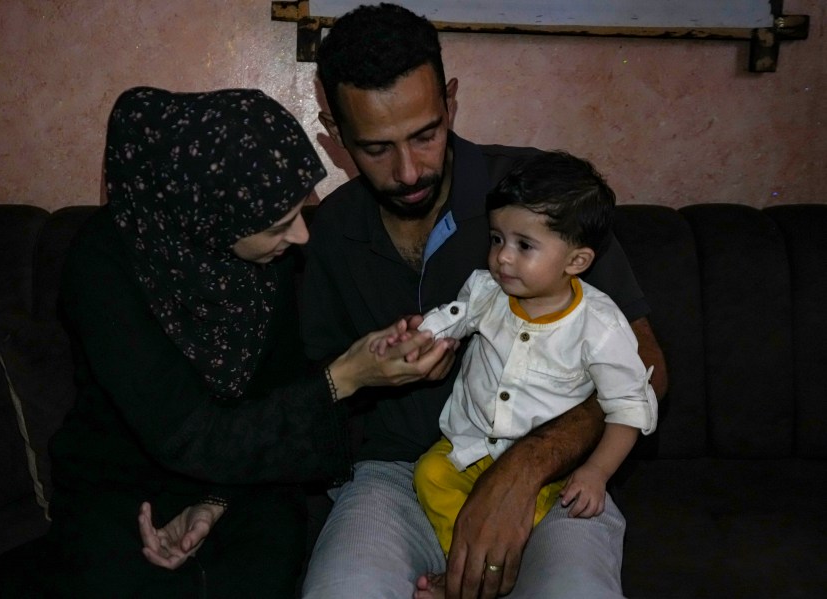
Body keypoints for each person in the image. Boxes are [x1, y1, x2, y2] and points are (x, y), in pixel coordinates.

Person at [299, 4, 668, 599]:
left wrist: (523, 468)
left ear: (450, 102)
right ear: (335, 135)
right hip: (394, 479)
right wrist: (362, 371)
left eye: (425, 134)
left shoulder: (537, 199)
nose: (409, 170)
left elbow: (647, 365)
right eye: (375, 148)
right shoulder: (331, 230)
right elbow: (309, 386)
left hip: (551, 479)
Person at [41, 86, 453, 599]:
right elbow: (188, 433)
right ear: (209, 217)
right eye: (281, 224)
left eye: (303, 211)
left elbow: (274, 389)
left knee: (263, 564)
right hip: (124, 481)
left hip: (249, 476)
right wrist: (344, 377)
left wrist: (217, 499)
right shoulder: (102, 266)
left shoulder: (264, 262)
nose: (303, 236)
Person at [371, 150, 658, 598]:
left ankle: (492, 573)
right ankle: (468, 567)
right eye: (497, 238)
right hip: (467, 449)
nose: (502, 258)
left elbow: (627, 406)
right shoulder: (486, 291)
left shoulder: (600, 326)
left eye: (524, 245)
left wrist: (597, 473)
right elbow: (449, 319)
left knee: (532, 524)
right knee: (429, 474)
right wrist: (409, 338)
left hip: (545, 476)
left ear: (577, 261)